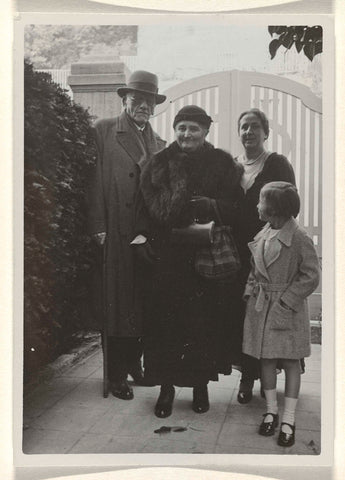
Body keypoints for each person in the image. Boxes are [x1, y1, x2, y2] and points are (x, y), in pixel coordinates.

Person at [137, 105, 243, 418]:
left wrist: (214, 205)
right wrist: (142, 235)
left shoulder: (223, 164)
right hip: (169, 257)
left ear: (206, 132)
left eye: (193, 129)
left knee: (203, 324)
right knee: (166, 324)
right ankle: (166, 390)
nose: (186, 134)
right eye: (181, 128)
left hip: (205, 257)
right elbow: (144, 207)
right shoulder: (158, 163)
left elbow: (237, 206)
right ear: (175, 130)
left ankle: (200, 387)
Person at [89, 70, 166, 400]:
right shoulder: (104, 130)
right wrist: (97, 226)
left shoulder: (158, 142)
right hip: (116, 233)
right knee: (116, 304)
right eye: (136, 100)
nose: (142, 106)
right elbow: (91, 181)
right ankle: (116, 375)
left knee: (140, 303)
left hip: (143, 236)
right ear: (124, 100)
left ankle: (134, 365)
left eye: (148, 101)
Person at [242, 181, 320, 447]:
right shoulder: (265, 232)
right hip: (262, 307)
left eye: (261, 201)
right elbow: (255, 269)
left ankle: (288, 418)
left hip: (288, 309)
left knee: (290, 363)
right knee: (266, 360)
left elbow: (310, 276)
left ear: (274, 209)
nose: (257, 205)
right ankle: (271, 411)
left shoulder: (299, 238)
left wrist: (287, 302)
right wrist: (250, 291)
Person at [233, 108, 296, 404]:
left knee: (267, 316)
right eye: (244, 127)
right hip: (238, 252)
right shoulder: (234, 167)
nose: (249, 132)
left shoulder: (277, 164)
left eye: (255, 127)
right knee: (245, 316)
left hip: (269, 253)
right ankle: (247, 377)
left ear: (266, 132)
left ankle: (268, 380)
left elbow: (290, 205)